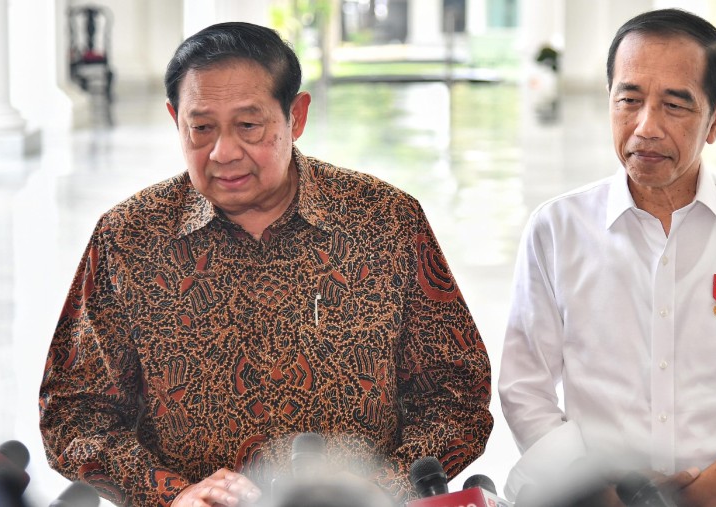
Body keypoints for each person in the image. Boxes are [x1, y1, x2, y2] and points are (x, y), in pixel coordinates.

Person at [39, 21, 493, 507]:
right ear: (175, 119)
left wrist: (382, 489)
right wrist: (172, 494)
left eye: (249, 126)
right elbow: (74, 415)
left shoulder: (383, 221)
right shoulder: (130, 237)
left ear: (295, 117)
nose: (223, 152)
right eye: (201, 128)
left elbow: (457, 395)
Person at [499, 8, 716, 507]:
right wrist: (601, 491)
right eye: (629, 100)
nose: (646, 127)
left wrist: (696, 498)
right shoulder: (557, 229)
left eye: (675, 106)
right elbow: (524, 389)